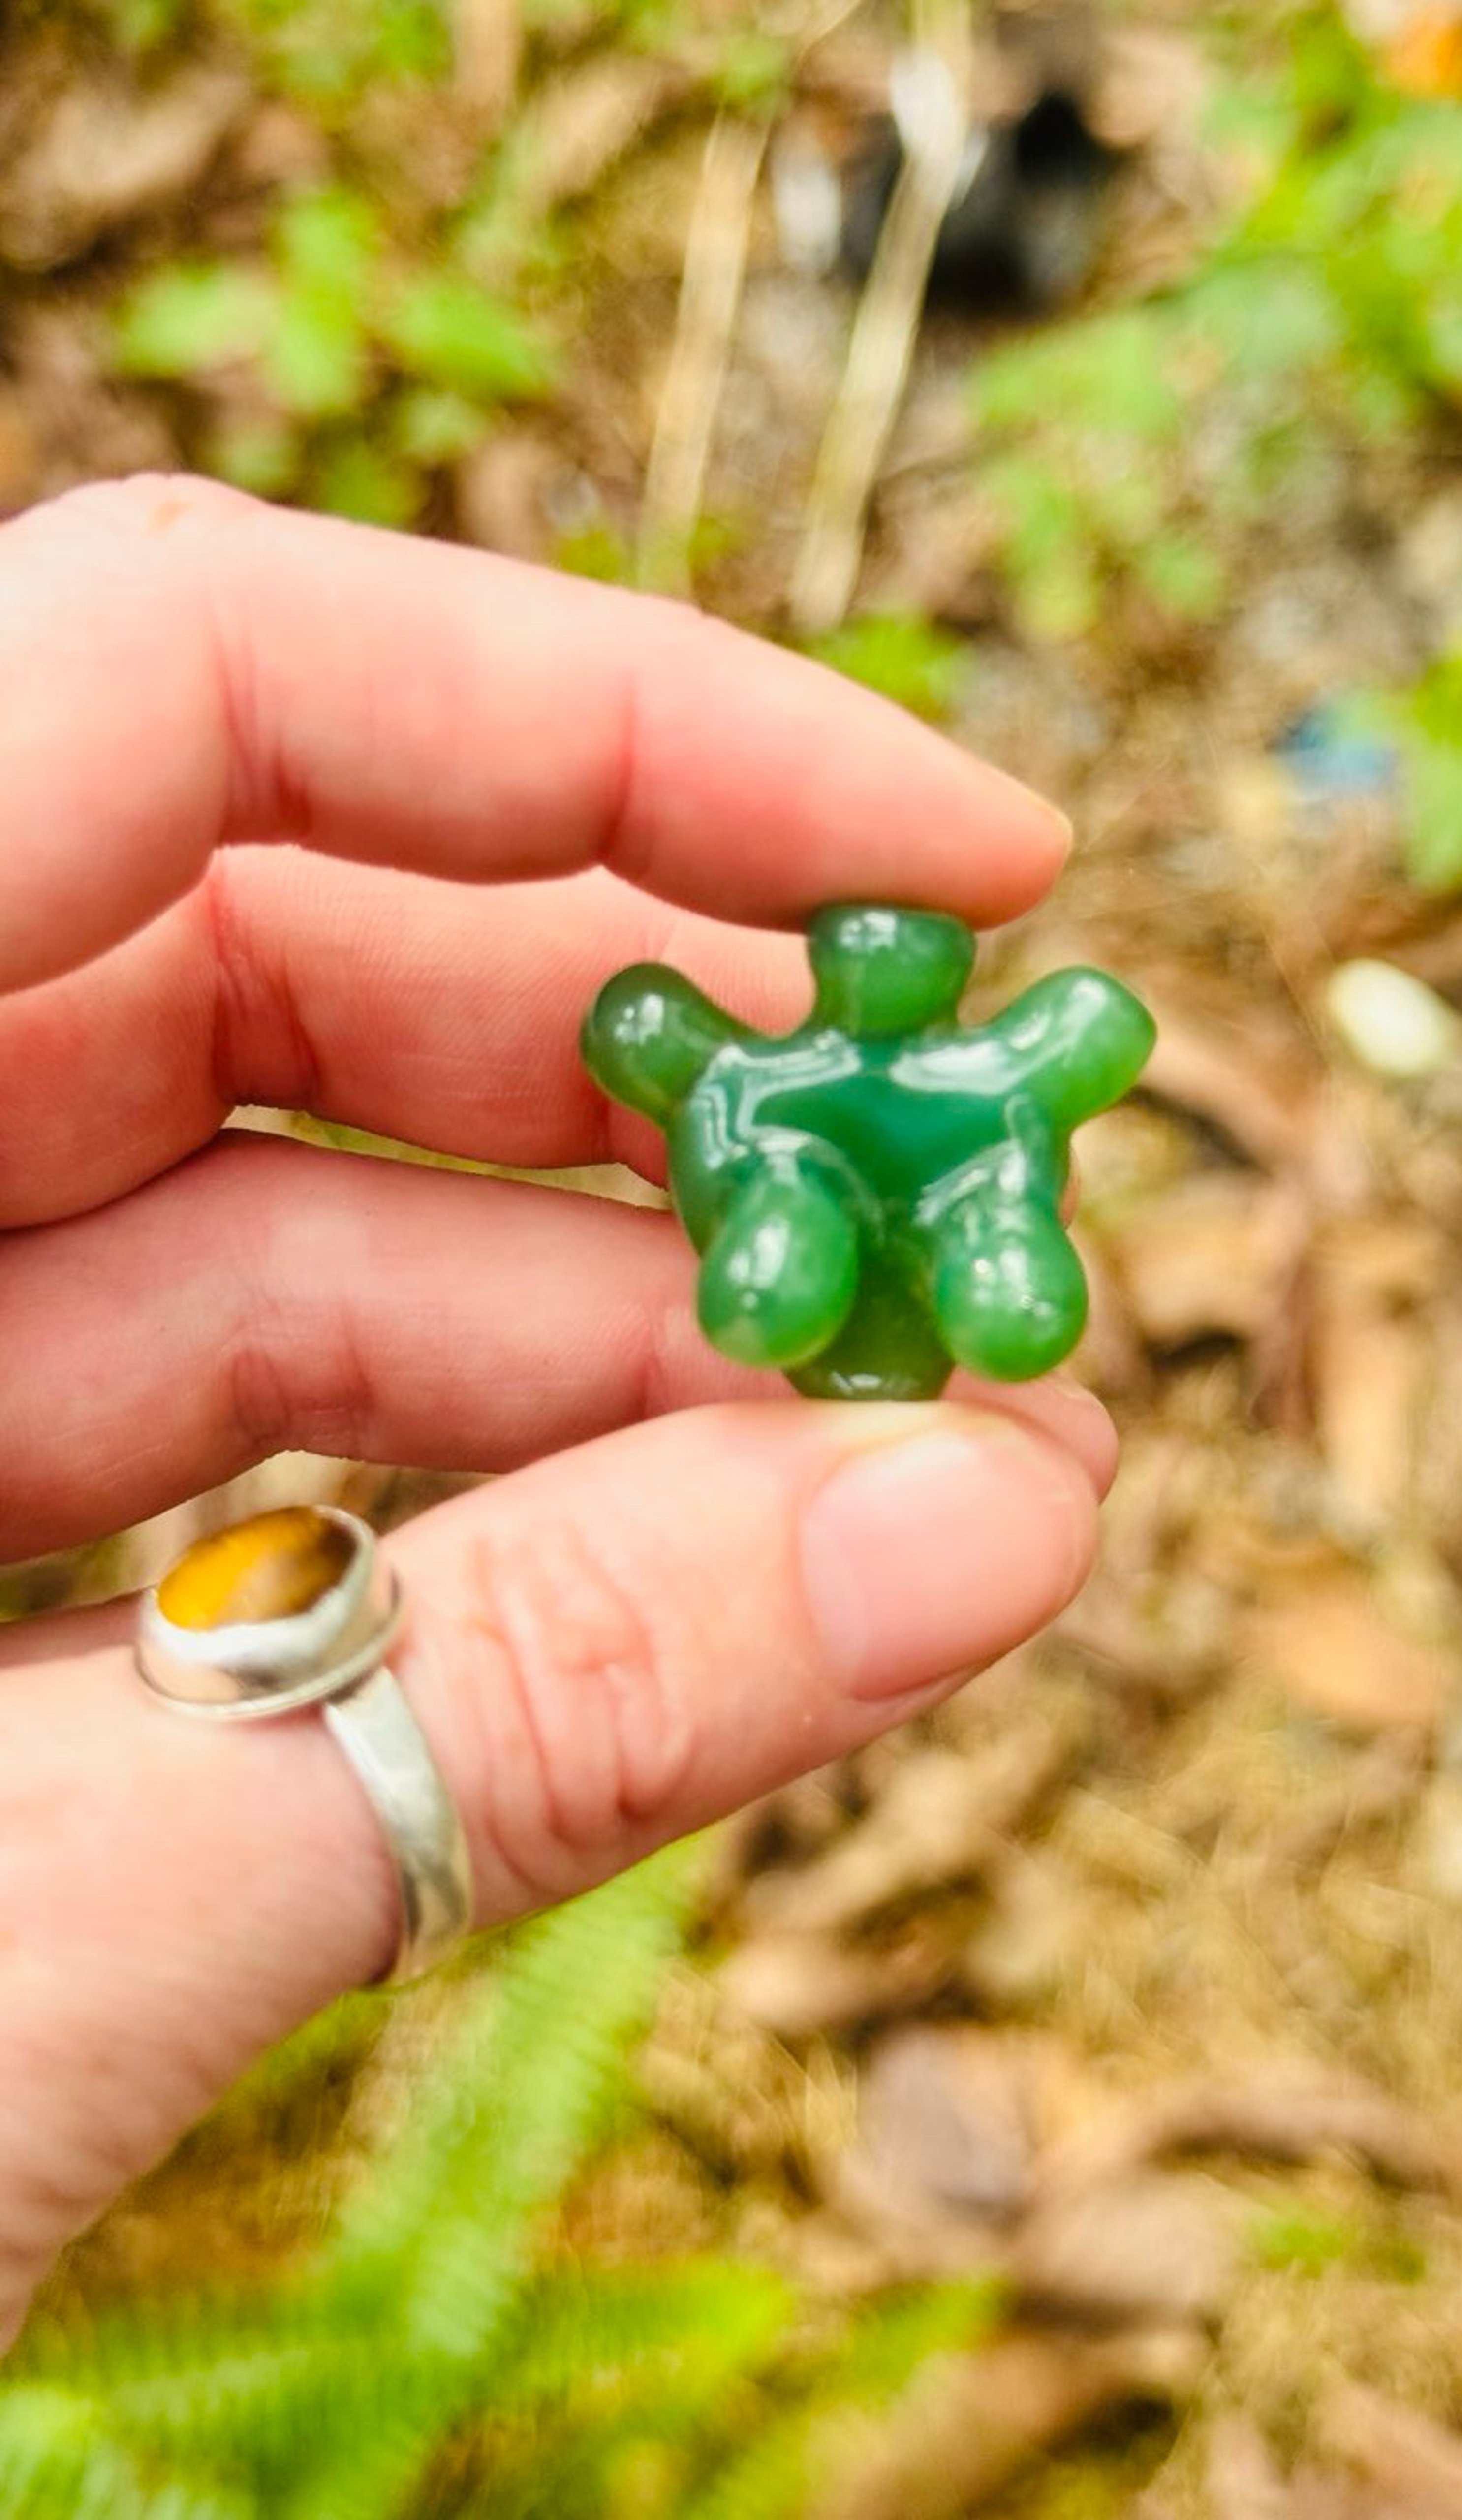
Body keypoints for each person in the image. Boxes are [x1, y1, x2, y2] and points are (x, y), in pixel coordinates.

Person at [0, 474, 1115, 2353]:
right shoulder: (792, 1078)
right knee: (776, 1260)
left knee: (956, 1262)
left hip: (945, 1209)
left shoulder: (975, 1069)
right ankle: (840, 1263)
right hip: (812, 1198)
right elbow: (706, 1053)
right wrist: (704, 1072)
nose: (891, 963)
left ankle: (923, 1268)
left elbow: (1053, 1044)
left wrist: (959, 1080)